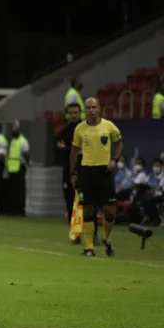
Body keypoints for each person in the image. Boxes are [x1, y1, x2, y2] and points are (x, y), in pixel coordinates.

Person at [70, 97, 123, 257]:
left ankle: (106, 238)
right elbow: (73, 151)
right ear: (86, 110)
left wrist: (114, 160)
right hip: (86, 171)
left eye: (94, 107)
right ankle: (89, 247)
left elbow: (119, 143)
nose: (92, 110)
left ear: (99, 108)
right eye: (89, 108)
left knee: (110, 212)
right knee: (88, 210)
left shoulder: (109, 126)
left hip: (104, 172)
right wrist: (72, 173)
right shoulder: (79, 129)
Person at [56, 102, 99, 245]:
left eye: (76, 112)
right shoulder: (62, 133)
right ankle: (75, 234)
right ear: (67, 115)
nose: (73, 115)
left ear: (80, 113)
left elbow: (90, 150)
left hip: (86, 170)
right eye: (71, 113)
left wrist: (69, 149)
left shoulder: (88, 130)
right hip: (68, 172)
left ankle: (93, 234)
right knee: (70, 203)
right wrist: (74, 151)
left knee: (90, 202)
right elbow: (59, 152)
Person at [7, 123, 31, 216]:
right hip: (12, 167)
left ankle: (20, 210)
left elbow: (27, 153)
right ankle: (13, 209)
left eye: (15, 130)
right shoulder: (13, 141)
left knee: (20, 190)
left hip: (20, 167)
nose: (13, 132)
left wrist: (27, 163)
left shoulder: (22, 141)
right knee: (12, 190)